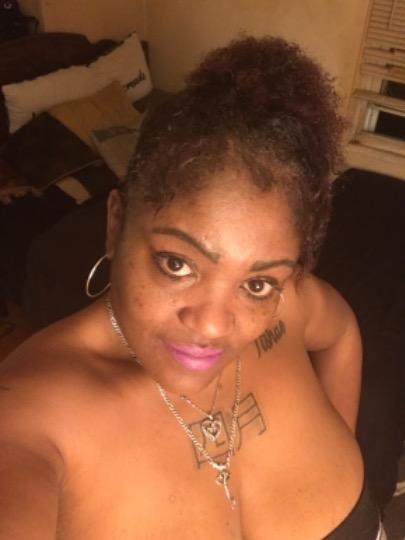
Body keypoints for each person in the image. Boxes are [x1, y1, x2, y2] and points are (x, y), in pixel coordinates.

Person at [0, 36, 384, 539]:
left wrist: (339, 441)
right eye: (177, 264)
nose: (212, 326)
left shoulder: (288, 303)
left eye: (257, 283)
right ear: (115, 224)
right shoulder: (28, 416)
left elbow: (340, 332)